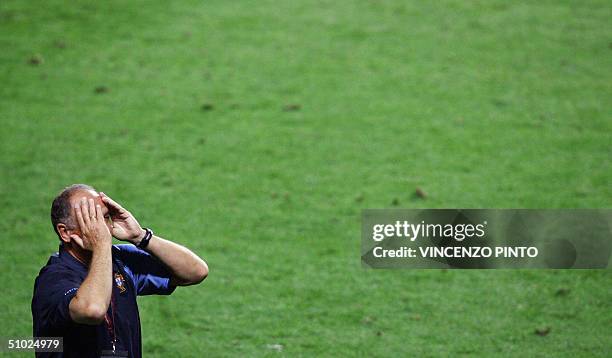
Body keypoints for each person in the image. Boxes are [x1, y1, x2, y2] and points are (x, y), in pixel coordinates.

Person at [32, 184, 209, 358]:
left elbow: (196, 272)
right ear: (65, 232)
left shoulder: (121, 259)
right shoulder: (53, 279)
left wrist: (140, 237)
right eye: (92, 221)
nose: (103, 229)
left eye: (106, 217)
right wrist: (101, 245)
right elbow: (93, 310)